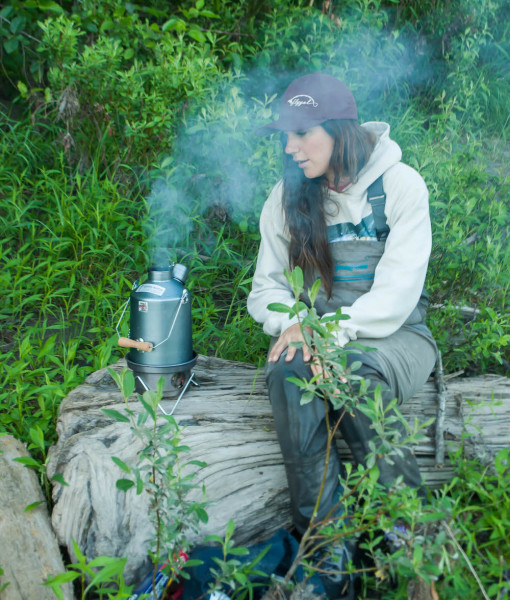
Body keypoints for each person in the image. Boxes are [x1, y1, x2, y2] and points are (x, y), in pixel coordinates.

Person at [247, 72, 438, 598]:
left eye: (302, 133)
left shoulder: (401, 186)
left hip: (394, 337)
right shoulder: (286, 196)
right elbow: (264, 287)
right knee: (287, 367)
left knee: (352, 369)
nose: (289, 147)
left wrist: (329, 336)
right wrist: (293, 323)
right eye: (285, 135)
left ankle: (411, 548)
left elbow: (398, 296)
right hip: (316, 336)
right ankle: (329, 556)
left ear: (338, 131)